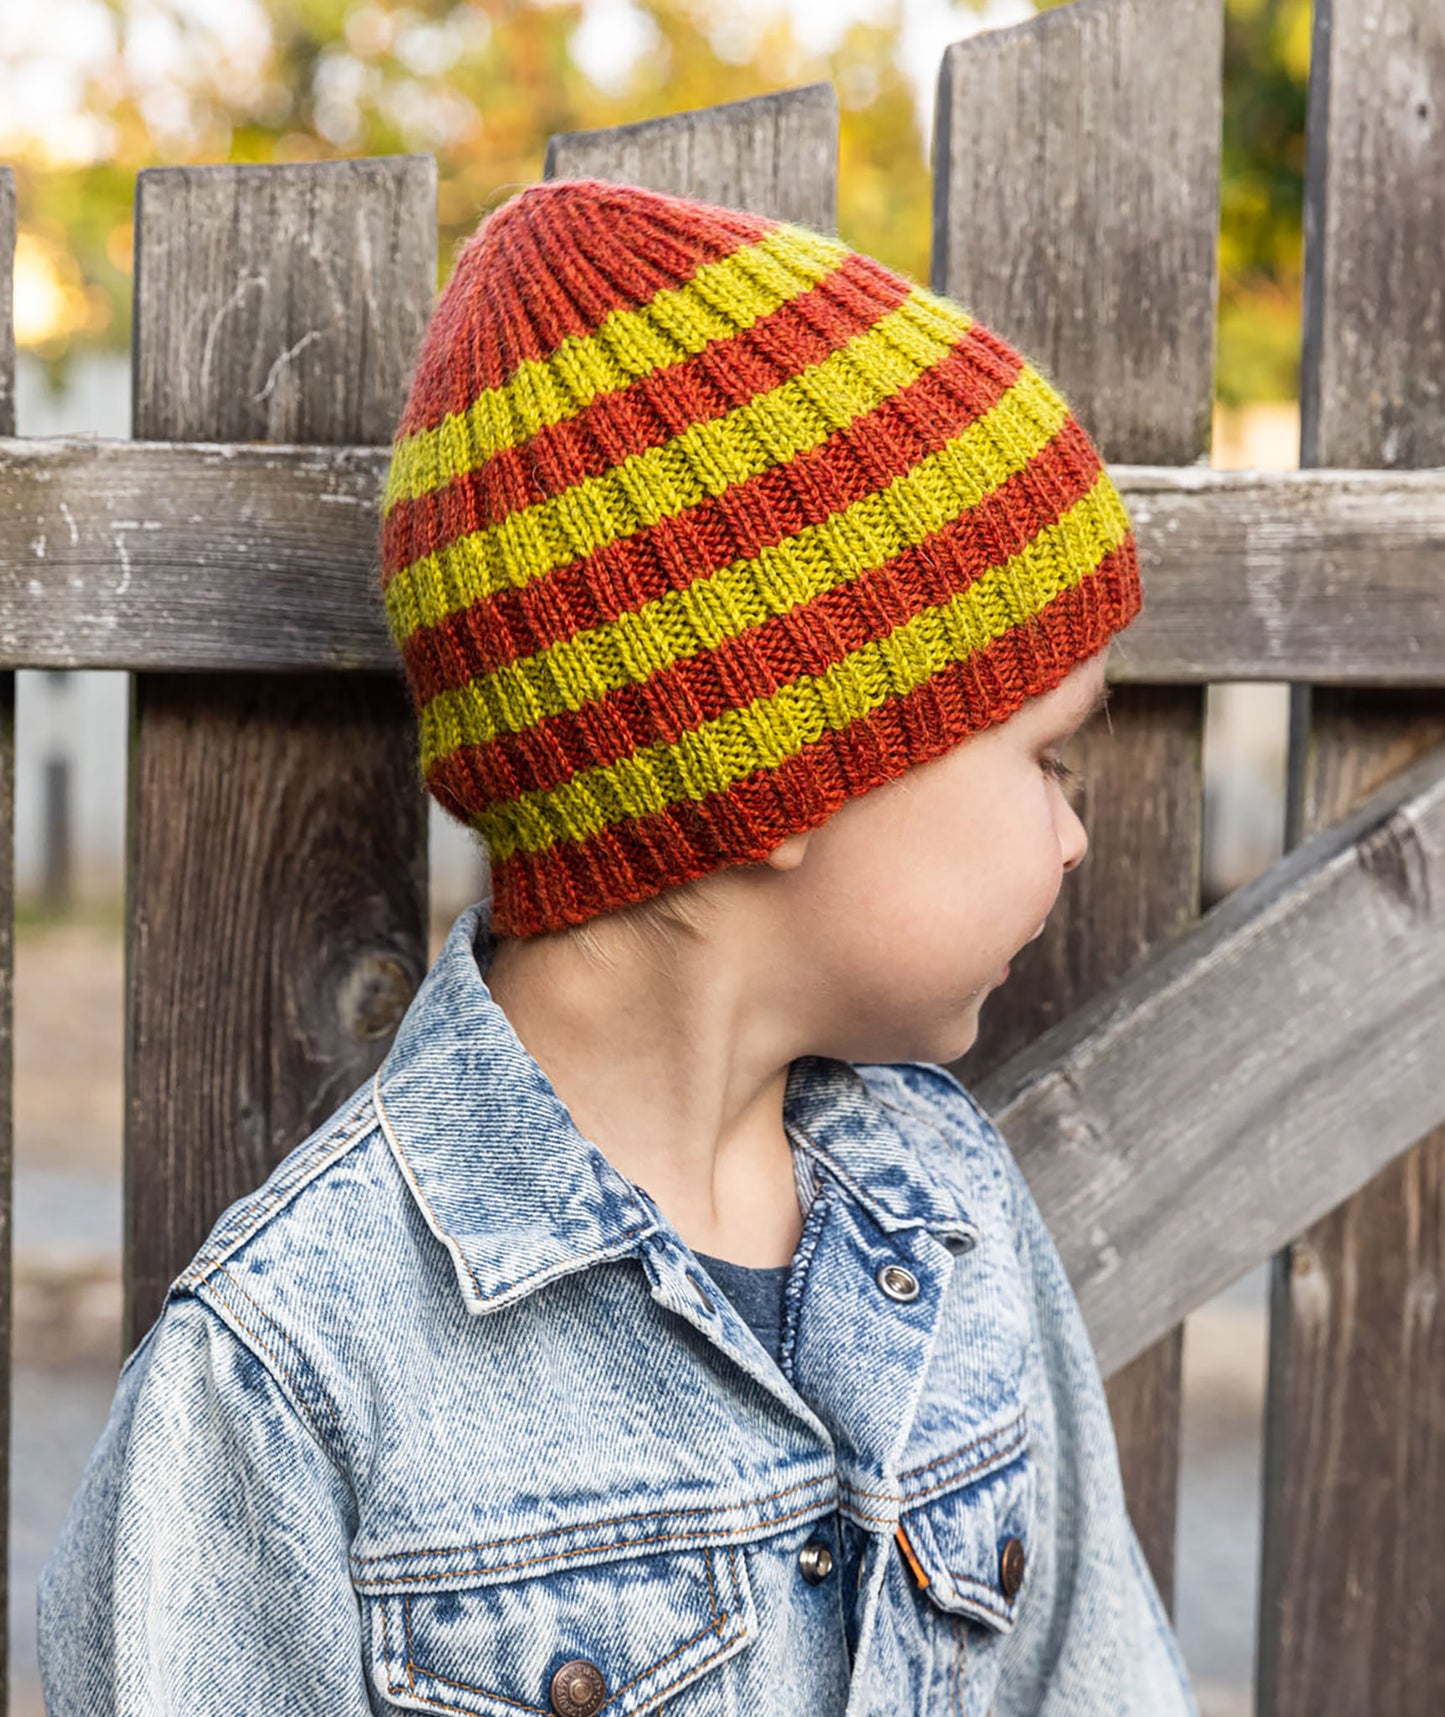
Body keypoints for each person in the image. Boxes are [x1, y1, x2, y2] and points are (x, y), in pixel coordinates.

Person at [37, 179, 1199, 1717]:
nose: (1071, 834)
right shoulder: (293, 1378)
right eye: (1045, 757)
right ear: (787, 765)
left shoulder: (951, 1212)